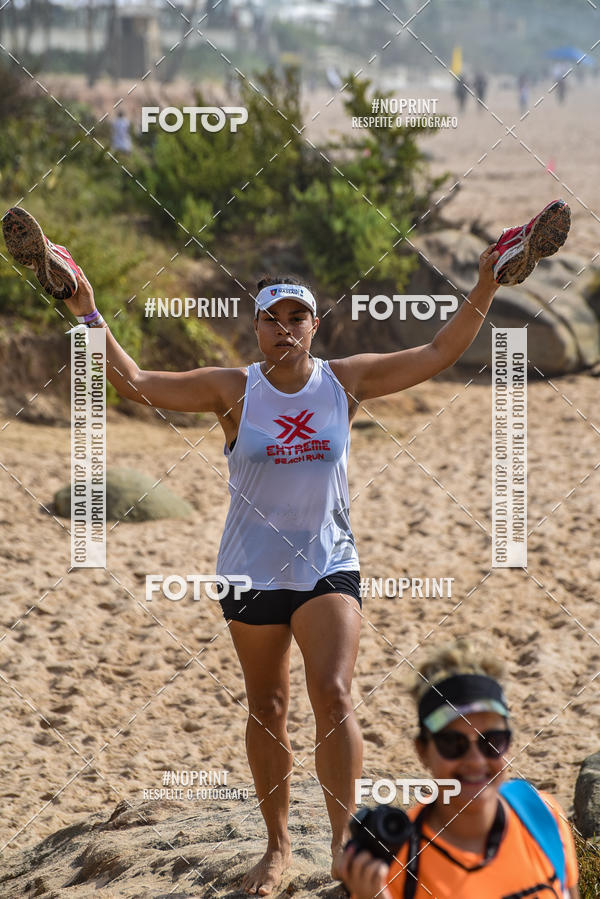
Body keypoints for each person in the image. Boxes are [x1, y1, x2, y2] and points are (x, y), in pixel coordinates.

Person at [0, 202, 568, 895]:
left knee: (333, 693)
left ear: (312, 325)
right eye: (272, 319)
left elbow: (438, 354)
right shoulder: (233, 390)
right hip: (249, 571)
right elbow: (137, 384)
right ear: (258, 326)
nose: (284, 329)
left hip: (329, 563)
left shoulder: (344, 380)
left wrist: (486, 283)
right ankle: (274, 848)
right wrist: (85, 311)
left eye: (297, 317)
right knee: (266, 705)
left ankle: (340, 845)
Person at [339, 642, 580, 899]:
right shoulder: (395, 864)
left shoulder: (542, 814)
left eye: (492, 741)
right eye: (453, 744)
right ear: (422, 751)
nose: (476, 761)